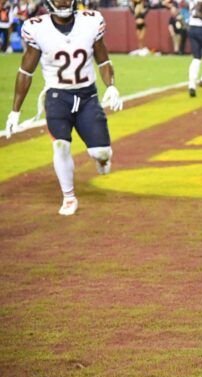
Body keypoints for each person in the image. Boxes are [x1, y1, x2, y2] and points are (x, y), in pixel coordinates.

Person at [6, 0, 123, 215]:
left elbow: (103, 59)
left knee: (101, 152)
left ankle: (103, 159)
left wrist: (111, 86)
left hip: (87, 95)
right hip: (57, 96)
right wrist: (15, 110)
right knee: (60, 144)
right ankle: (69, 197)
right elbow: (26, 71)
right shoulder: (37, 28)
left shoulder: (91, 21)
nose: (63, 1)